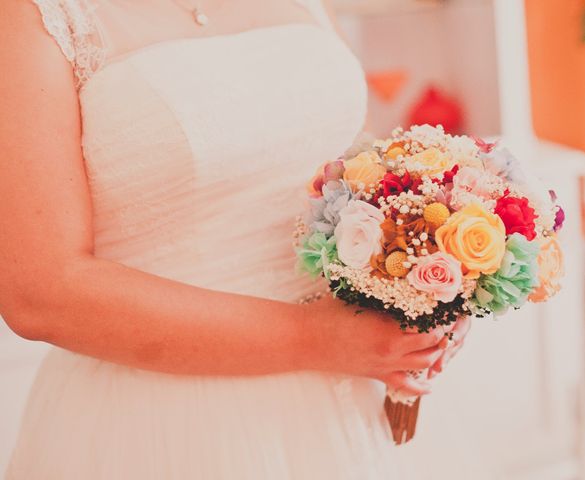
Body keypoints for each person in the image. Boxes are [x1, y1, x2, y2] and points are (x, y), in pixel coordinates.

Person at [0, 1, 469, 477]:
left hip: (352, 401)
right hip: (162, 422)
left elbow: (352, 165)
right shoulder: (30, 16)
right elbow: (41, 293)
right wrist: (318, 338)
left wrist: (423, 283)